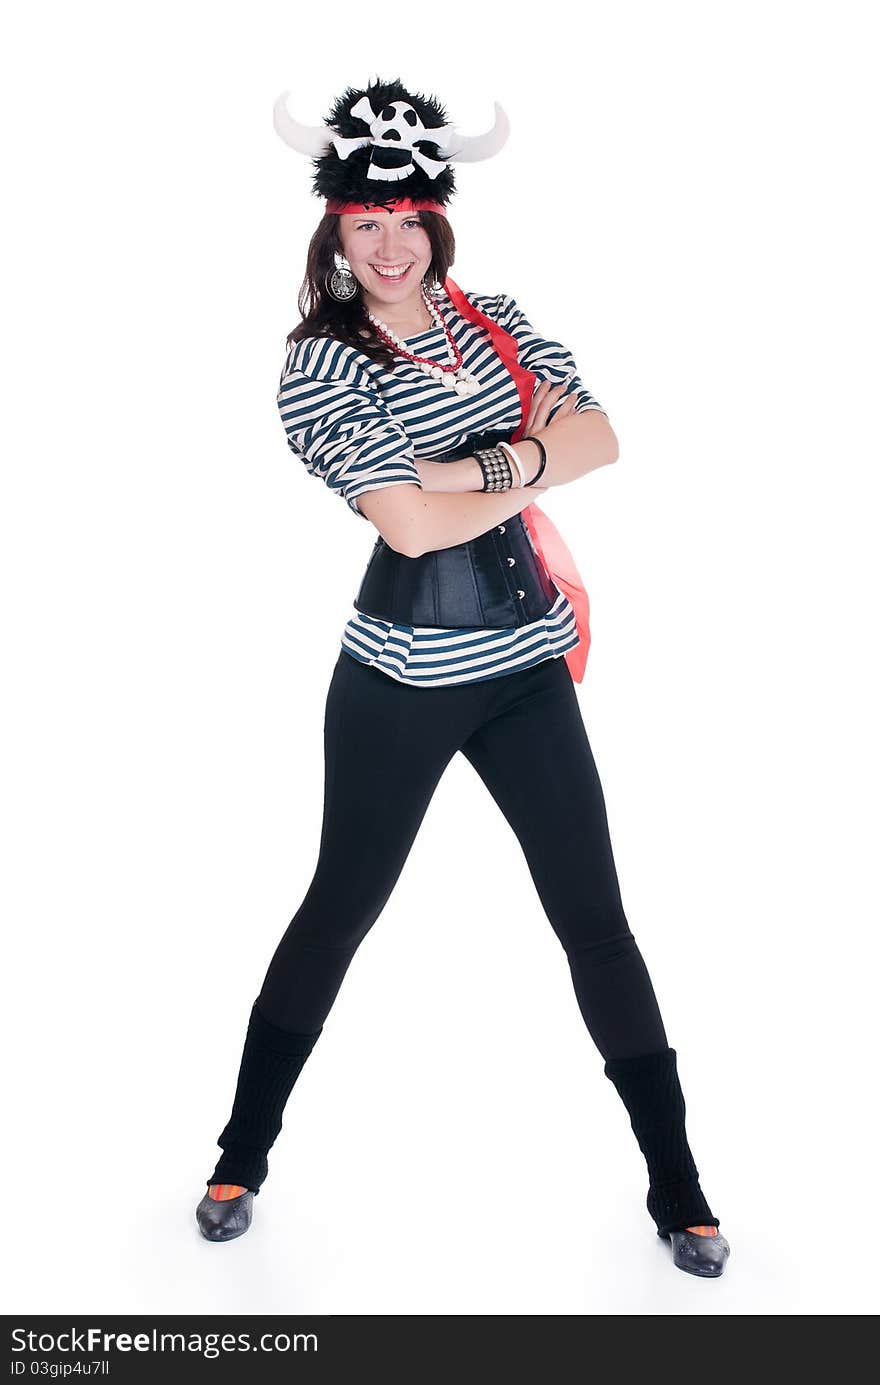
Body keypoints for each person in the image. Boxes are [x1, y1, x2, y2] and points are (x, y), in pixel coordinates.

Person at [194, 76, 730, 1279]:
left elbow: (603, 435)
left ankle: (681, 1188)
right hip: (399, 679)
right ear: (334, 230)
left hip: (525, 666)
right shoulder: (319, 366)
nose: (389, 243)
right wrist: (523, 456)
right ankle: (240, 1152)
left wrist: (468, 462)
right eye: (362, 222)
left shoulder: (497, 318)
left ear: (439, 219)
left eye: (409, 218)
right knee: (341, 906)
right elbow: (411, 531)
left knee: (594, 917)